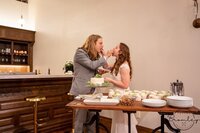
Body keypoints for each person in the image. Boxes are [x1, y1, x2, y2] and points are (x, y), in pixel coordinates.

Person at [69, 34, 111, 133]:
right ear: (93, 43)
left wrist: (100, 69)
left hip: (92, 91)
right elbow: (91, 65)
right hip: (81, 91)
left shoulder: (94, 55)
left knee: (92, 119)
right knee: (80, 119)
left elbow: (102, 66)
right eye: (100, 43)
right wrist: (105, 56)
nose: (102, 45)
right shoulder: (80, 53)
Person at [104, 42, 138, 133]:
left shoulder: (124, 66)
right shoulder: (118, 63)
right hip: (117, 95)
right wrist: (105, 55)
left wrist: (111, 80)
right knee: (118, 120)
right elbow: (105, 66)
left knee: (122, 121)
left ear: (121, 52)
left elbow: (125, 85)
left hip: (122, 96)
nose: (113, 48)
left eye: (116, 47)